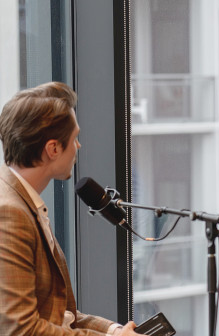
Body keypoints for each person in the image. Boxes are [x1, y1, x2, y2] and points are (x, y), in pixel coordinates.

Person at [0, 82, 142, 335]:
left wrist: (113, 330)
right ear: (53, 148)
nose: (79, 147)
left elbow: (59, 315)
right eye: (75, 138)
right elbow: (21, 329)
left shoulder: (22, 201)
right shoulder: (10, 214)